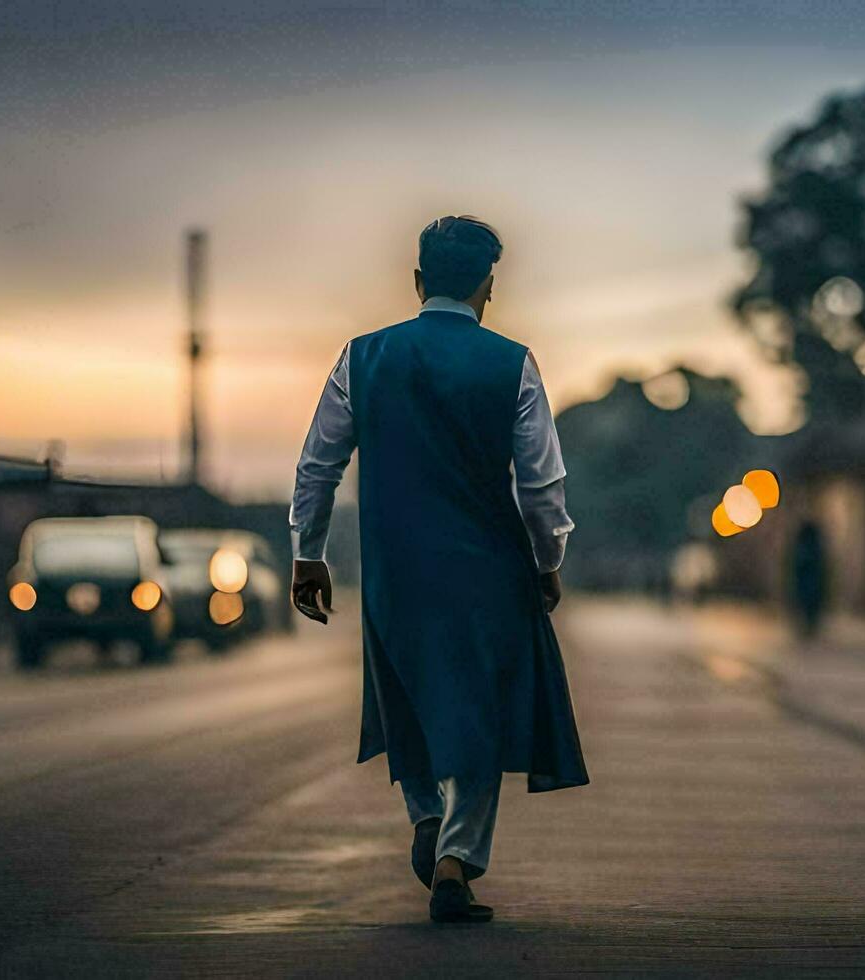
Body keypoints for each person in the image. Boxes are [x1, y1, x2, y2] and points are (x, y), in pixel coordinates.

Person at [289, 215, 589, 924]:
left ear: (418, 281)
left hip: (396, 568)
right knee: (480, 709)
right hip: (488, 568)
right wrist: (548, 562)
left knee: (409, 693)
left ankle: (425, 813)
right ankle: (454, 858)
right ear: (489, 286)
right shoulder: (512, 362)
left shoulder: (360, 359)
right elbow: (542, 487)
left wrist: (310, 553)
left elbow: (318, 464)